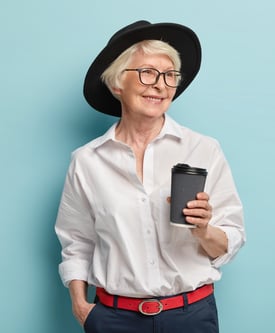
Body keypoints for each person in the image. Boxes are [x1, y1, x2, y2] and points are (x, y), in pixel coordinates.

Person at [55, 20, 245, 333]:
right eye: (147, 73)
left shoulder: (204, 149)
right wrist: (81, 306)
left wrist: (203, 229)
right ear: (117, 84)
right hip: (114, 320)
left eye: (170, 76)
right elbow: (76, 242)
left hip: (191, 316)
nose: (160, 85)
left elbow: (232, 239)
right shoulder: (87, 161)